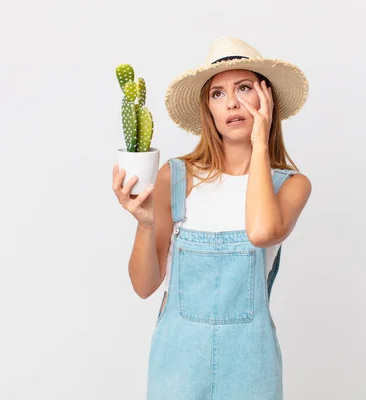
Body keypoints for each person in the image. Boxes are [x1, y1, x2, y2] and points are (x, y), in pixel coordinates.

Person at [112, 36, 312, 399]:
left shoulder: (292, 186)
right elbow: (144, 286)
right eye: (217, 94)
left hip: (250, 367)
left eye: (244, 88)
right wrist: (145, 223)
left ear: (266, 99)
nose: (232, 103)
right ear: (208, 110)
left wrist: (260, 145)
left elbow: (262, 230)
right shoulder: (176, 177)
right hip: (177, 365)